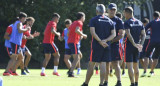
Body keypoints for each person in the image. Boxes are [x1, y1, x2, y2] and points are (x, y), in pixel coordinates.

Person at [82, 4, 116, 86]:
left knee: (91, 64)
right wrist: (106, 40)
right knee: (103, 64)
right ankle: (101, 83)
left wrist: (100, 41)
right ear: (104, 11)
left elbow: (93, 32)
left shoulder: (94, 20)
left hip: (97, 45)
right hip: (106, 45)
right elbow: (114, 34)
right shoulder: (110, 21)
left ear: (97, 11)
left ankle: (86, 83)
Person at [124, 7, 146, 86]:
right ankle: (136, 83)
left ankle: (132, 83)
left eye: (124, 13)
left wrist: (133, 44)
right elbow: (144, 34)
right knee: (136, 66)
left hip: (129, 46)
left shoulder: (127, 22)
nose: (124, 15)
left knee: (130, 66)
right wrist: (141, 45)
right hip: (137, 47)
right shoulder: (139, 22)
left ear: (127, 13)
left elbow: (128, 34)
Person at [105, 3, 125, 86]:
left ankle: (119, 81)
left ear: (116, 10)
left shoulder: (118, 20)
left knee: (115, 63)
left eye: (114, 9)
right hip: (105, 44)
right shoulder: (104, 19)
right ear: (107, 10)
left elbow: (121, 34)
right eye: (111, 9)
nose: (112, 11)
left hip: (115, 45)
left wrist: (111, 40)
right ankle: (105, 82)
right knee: (106, 63)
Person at [67, 12, 87, 77]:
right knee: (77, 58)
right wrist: (83, 35)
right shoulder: (79, 22)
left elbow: (68, 33)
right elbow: (76, 30)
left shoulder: (73, 23)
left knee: (79, 56)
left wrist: (77, 36)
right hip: (74, 42)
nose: (84, 18)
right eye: (84, 17)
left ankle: (70, 69)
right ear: (81, 17)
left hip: (70, 42)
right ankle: (71, 72)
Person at [144, 11, 160, 77]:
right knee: (156, 57)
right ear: (159, 16)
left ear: (153, 16)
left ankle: (145, 71)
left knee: (146, 56)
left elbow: (144, 29)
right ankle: (151, 71)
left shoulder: (152, 22)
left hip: (152, 41)